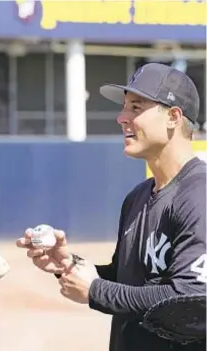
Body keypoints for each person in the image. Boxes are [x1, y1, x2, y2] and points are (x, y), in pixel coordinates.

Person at [16, 63, 206, 351]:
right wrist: (69, 264)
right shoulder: (138, 196)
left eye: (136, 107)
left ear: (173, 116)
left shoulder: (198, 195)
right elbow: (125, 280)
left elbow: (193, 304)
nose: (121, 117)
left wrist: (95, 291)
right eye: (125, 107)